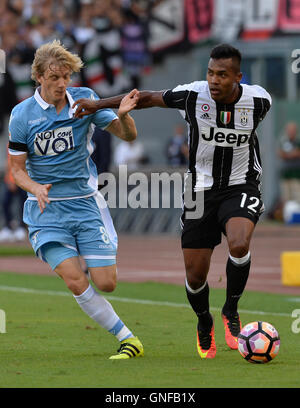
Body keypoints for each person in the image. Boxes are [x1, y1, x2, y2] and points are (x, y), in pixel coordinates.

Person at [72, 44, 272, 359]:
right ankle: (204, 321)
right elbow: (145, 97)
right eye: (210, 73)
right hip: (199, 190)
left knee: (238, 243)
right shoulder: (194, 95)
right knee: (195, 275)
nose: (214, 80)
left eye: (222, 75)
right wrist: (97, 104)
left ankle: (230, 310)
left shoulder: (259, 101)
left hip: (240, 184)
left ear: (238, 77)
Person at [8, 39, 144, 360]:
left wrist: (123, 116)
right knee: (74, 279)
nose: (61, 84)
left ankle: (94, 256)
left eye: (66, 77)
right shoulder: (22, 115)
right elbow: (16, 169)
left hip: (85, 204)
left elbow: (128, 136)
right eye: (54, 77)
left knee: (107, 283)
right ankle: (128, 339)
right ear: (38, 77)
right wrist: (35, 188)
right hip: (46, 211)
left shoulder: (85, 100)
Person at [0, 148, 27, 242]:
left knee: (23, 204)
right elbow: (9, 162)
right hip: (12, 179)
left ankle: (22, 227)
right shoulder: (9, 144)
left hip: (23, 179)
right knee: (5, 203)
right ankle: (7, 227)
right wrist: (10, 179)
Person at [278, 121, 300, 203]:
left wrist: (288, 154)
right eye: (289, 130)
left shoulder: (298, 142)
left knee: (297, 196)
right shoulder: (283, 141)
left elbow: (297, 153)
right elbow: (280, 153)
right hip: (285, 174)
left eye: (292, 130)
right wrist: (292, 154)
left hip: (296, 174)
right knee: (286, 197)